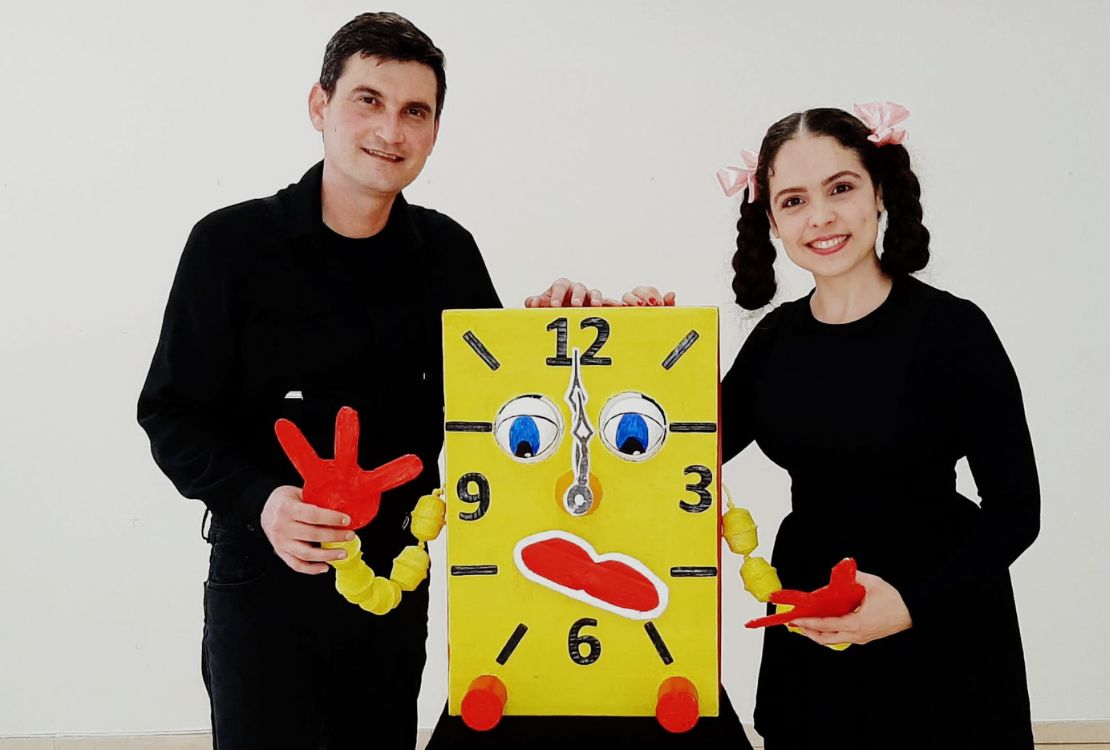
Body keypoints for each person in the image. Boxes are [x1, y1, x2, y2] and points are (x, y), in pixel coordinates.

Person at [138, 12, 601, 749]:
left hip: (393, 575)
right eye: (369, 100)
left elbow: (505, 410)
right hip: (262, 569)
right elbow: (171, 413)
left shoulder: (448, 252)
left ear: (435, 129)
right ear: (320, 105)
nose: (391, 130)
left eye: (415, 111)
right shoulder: (229, 244)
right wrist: (262, 503)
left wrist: (560, 329)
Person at [622, 105, 1040, 748]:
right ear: (772, 221)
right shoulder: (774, 340)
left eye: (840, 188)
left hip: (942, 628)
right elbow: (677, 449)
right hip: (810, 624)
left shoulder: (955, 331)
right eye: (794, 200)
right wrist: (639, 343)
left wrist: (909, 606)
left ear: (879, 192)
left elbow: (1016, 511)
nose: (819, 216)